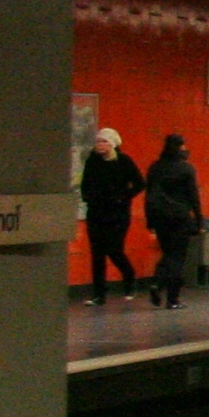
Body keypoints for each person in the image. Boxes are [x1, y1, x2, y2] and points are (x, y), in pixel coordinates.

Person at [79, 128, 145, 305]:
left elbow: (140, 183)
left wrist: (124, 197)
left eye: (104, 142)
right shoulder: (92, 161)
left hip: (118, 213)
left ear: (113, 144)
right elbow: (84, 183)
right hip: (96, 212)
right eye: (98, 141)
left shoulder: (124, 161)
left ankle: (129, 277)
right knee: (97, 253)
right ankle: (99, 294)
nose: (100, 145)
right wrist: (88, 197)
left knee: (114, 249)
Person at [142, 133, 204, 310]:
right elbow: (194, 196)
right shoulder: (186, 169)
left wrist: (150, 221)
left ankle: (157, 283)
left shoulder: (155, 168)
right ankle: (172, 298)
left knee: (168, 253)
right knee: (177, 258)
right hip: (180, 217)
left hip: (160, 218)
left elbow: (149, 196)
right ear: (180, 147)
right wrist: (199, 220)